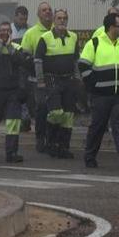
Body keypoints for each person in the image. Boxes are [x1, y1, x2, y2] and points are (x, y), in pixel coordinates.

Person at [79, 13, 119, 168]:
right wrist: (94, 85)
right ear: (112, 27)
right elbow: (83, 65)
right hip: (101, 96)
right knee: (97, 126)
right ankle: (90, 156)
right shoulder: (95, 43)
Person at [0, 21, 33, 162]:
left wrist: (9, 47)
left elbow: (21, 61)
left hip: (12, 91)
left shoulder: (16, 47)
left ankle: (11, 153)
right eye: (2, 31)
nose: (5, 33)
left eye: (7, 31)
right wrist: (0, 46)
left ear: (11, 33)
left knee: (13, 122)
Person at [34, 9, 80, 159]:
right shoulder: (45, 38)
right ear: (54, 20)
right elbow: (38, 61)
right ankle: (50, 141)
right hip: (51, 79)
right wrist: (40, 81)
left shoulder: (73, 37)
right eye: (59, 18)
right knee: (56, 112)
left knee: (68, 115)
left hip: (68, 80)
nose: (62, 21)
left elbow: (76, 61)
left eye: (64, 18)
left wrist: (77, 79)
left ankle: (63, 147)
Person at [21, 2, 54, 151]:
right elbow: (24, 57)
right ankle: (40, 139)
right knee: (41, 108)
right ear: (39, 15)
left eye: (49, 10)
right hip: (38, 80)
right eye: (44, 10)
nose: (47, 12)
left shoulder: (58, 31)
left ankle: (54, 139)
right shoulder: (31, 33)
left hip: (56, 79)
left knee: (55, 110)